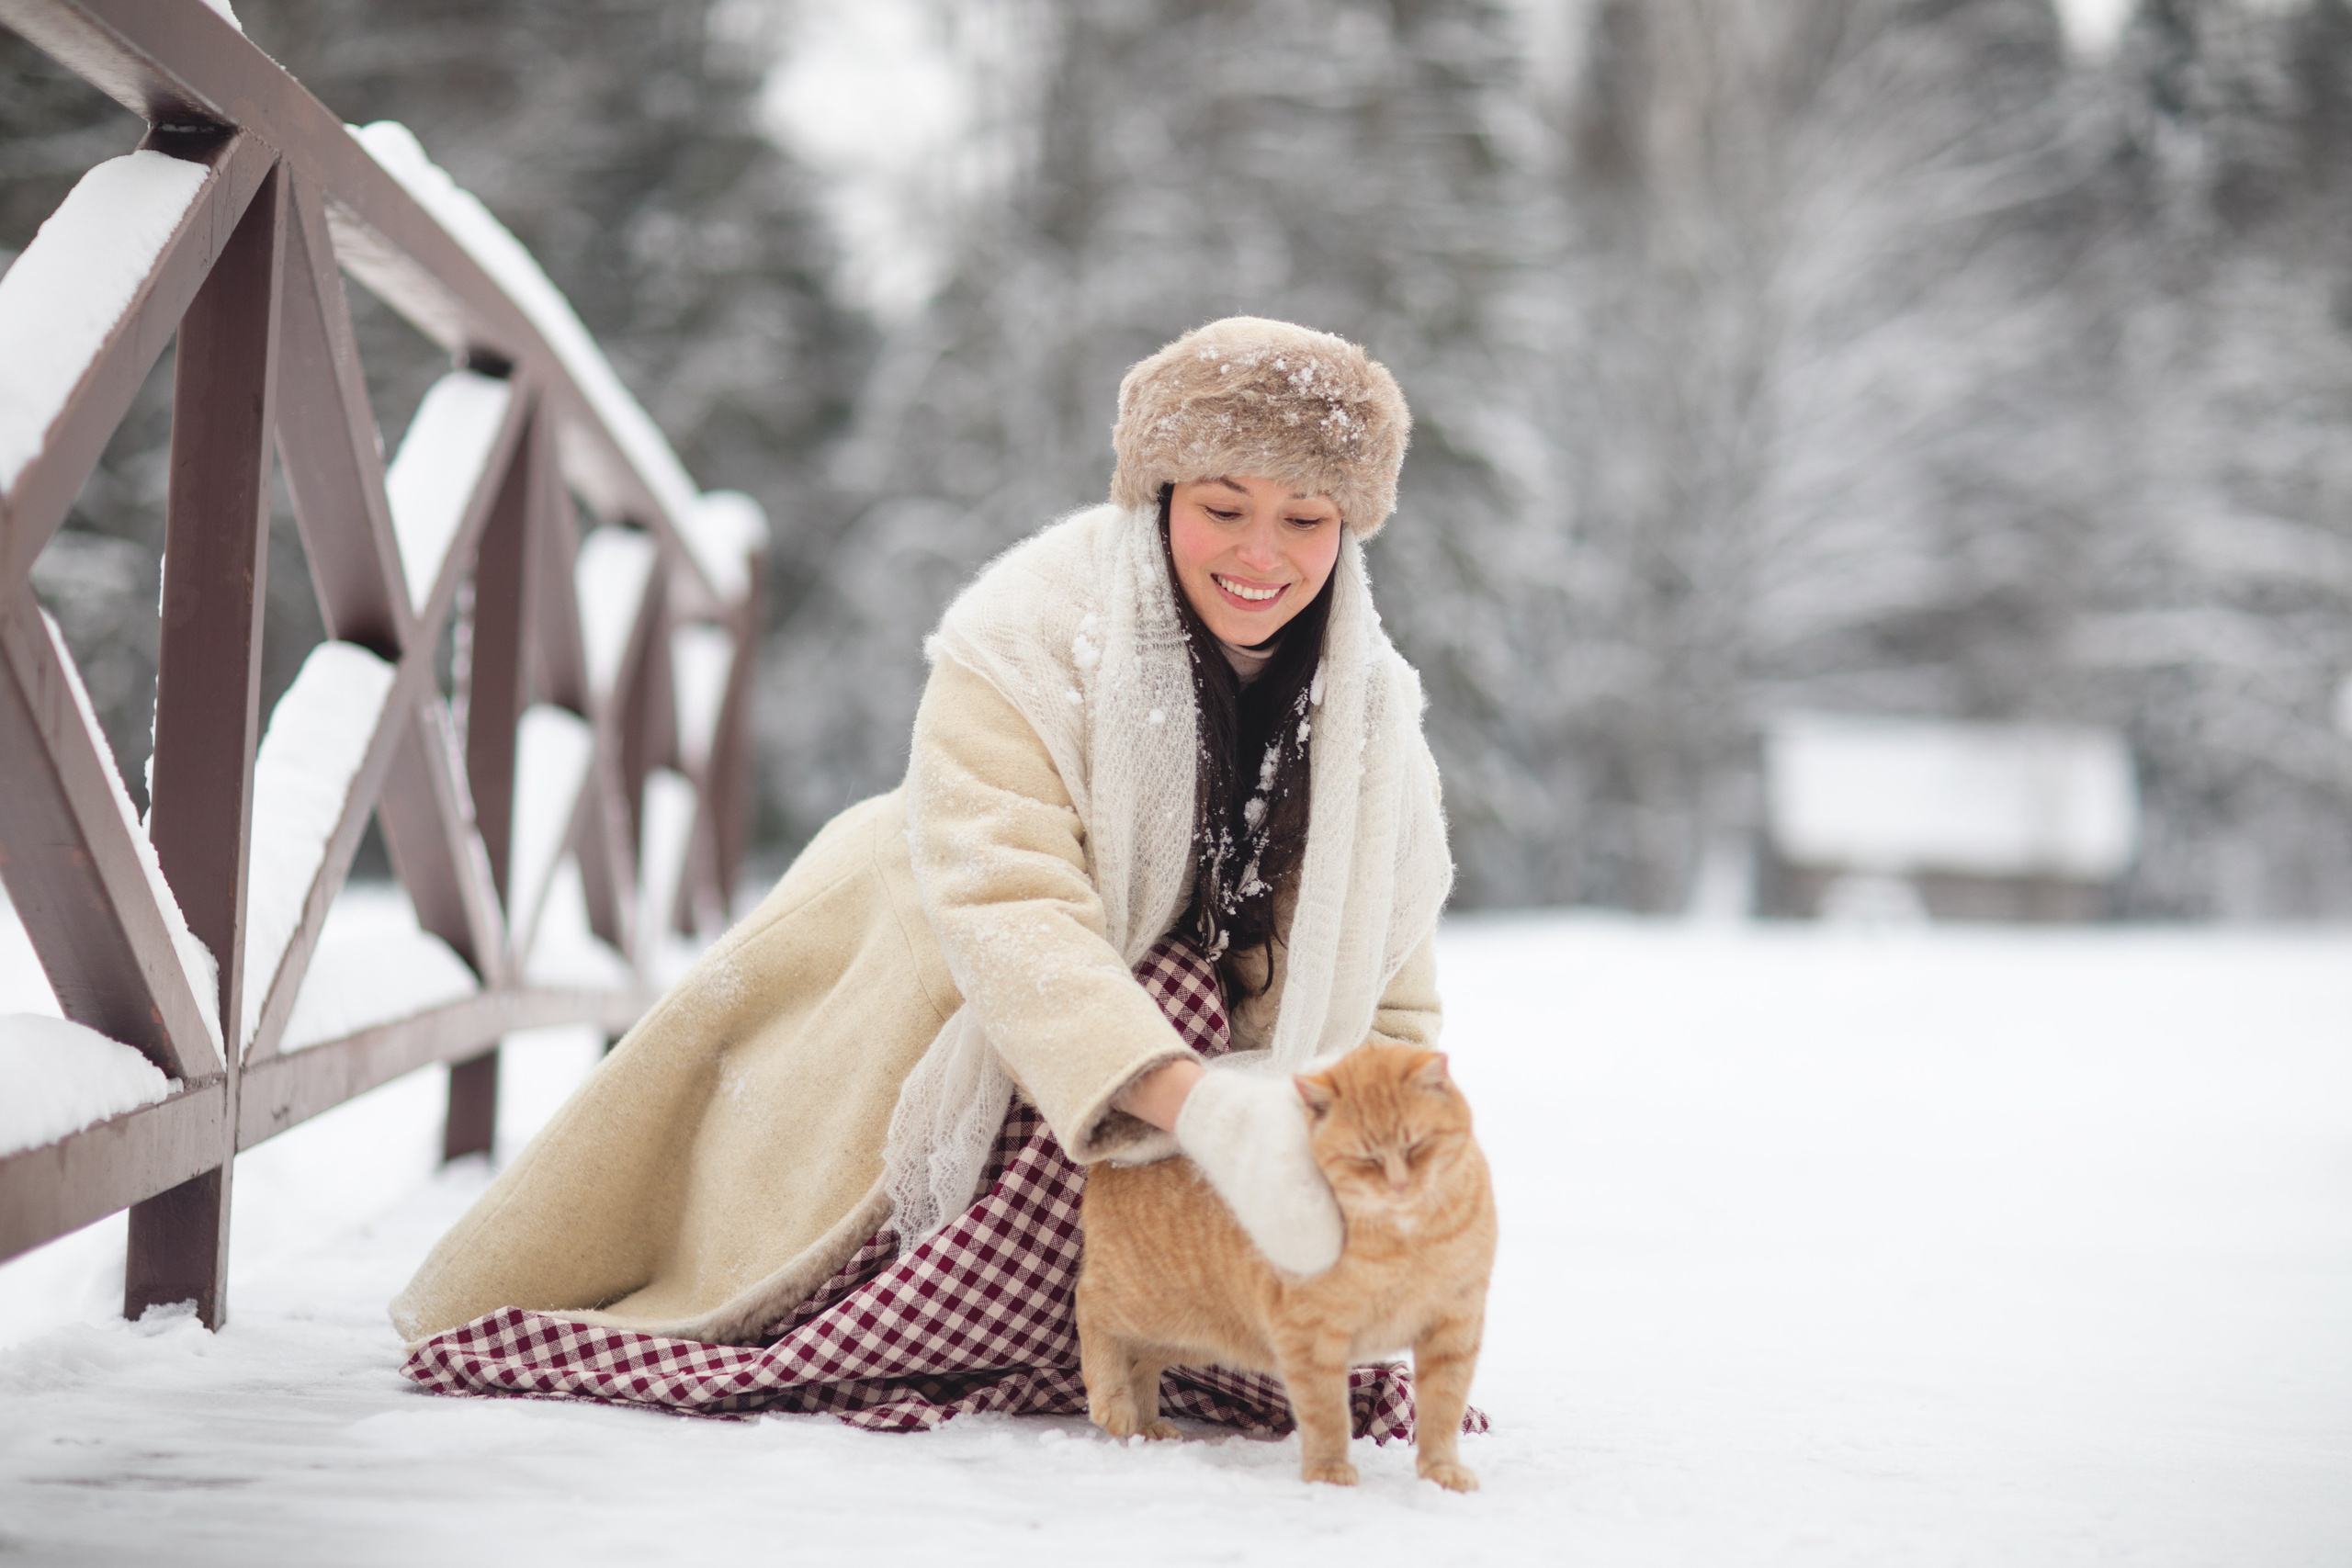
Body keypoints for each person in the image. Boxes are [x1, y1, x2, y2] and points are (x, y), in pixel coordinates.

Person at [391, 317, 1457, 1435]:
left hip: (1194, 1080)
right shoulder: (1031, 628)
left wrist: (1379, 1162)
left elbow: (1389, 976)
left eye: (1306, 519)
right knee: (1168, 990)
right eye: (1224, 508)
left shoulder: (1371, 710)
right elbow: (1010, 907)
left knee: (1311, 1335)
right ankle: (961, 1292)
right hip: (952, 996)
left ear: (1349, 529)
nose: (1261, 556)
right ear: (1157, 497)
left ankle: (1125, 1297)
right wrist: (1201, 1109)